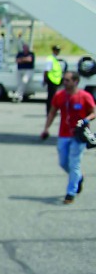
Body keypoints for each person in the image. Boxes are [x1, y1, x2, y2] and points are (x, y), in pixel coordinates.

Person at [41, 71, 95, 204]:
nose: (64, 83)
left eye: (67, 80)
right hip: (64, 134)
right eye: (64, 80)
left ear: (75, 81)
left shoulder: (84, 96)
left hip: (79, 135)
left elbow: (94, 112)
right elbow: (52, 112)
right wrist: (46, 128)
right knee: (63, 162)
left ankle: (70, 193)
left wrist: (85, 120)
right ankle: (78, 178)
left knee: (74, 163)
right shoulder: (59, 96)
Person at [43, 45, 66, 115]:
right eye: (57, 50)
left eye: (58, 50)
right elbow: (46, 70)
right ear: (53, 51)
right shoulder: (50, 59)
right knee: (51, 97)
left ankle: (52, 111)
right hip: (51, 80)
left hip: (55, 80)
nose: (58, 52)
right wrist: (45, 79)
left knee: (54, 97)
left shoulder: (54, 58)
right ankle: (49, 111)